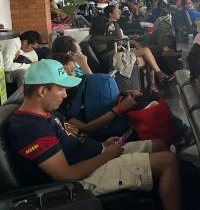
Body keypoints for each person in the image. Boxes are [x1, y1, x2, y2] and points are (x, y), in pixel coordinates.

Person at [8, 60, 183, 209]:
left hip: (97, 154)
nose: (65, 94)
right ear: (42, 91)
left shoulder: (46, 113)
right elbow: (65, 175)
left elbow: (74, 136)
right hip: (85, 179)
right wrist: (106, 156)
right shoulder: (30, 128)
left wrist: (103, 146)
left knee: (158, 144)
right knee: (168, 161)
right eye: (61, 89)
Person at [90, 5, 174, 92]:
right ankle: (158, 77)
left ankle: (154, 83)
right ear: (110, 14)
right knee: (146, 51)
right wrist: (114, 23)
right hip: (114, 54)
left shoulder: (106, 32)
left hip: (120, 49)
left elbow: (118, 38)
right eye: (116, 11)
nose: (119, 12)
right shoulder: (99, 37)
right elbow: (118, 37)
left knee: (147, 55)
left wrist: (115, 24)